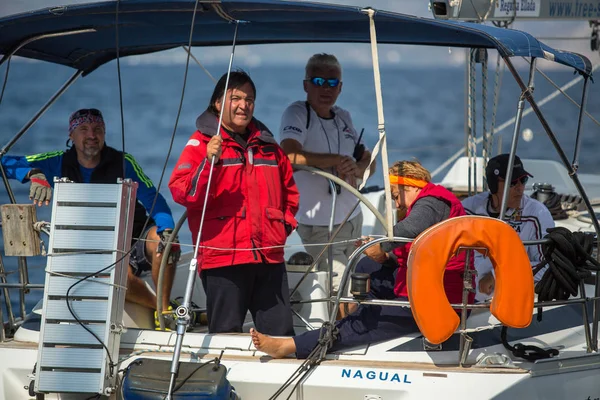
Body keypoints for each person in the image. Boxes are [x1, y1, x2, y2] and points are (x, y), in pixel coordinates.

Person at [250, 160, 473, 359]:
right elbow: (410, 252)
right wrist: (384, 256)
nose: (397, 205)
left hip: (441, 300)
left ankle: (290, 345)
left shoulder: (432, 201)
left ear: (409, 186)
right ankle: (359, 315)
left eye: (396, 196)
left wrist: (381, 243)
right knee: (369, 265)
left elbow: (410, 228)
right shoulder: (434, 201)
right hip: (426, 284)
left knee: (366, 320)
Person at [1, 108, 181, 326]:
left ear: (104, 134)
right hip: (100, 245)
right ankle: (165, 309)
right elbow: (5, 162)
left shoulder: (124, 162)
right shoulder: (56, 161)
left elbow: (152, 198)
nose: (91, 136)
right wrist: (33, 174)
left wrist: (167, 227)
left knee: (167, 243)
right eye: (83, 129)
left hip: (136, 235)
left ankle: (164, 310)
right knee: (115, 276)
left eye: (97, 129)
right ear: (71, 136)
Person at [169, 71, 299, 336]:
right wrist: (209, 162)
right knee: (225, 337)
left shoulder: (269, 146)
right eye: (236, 98)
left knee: (281, 337)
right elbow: (183, 193)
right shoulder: (201, 143)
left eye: (249, 99)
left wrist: (283, 227)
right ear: (218, 103)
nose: (244, 105)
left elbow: (290, 193)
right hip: (222, 259)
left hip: (268, 256)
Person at [279, 53, 375, 293]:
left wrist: (359, 167)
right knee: (339, 287)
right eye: (318, 81)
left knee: (356, 282)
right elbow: (289, 155)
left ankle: (350, 328)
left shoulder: (343, 116)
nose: (325, 88)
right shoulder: (298, 113)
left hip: (352, 219)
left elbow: (366, 156)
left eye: (332, 83)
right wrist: (336, 161)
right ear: (306, 85)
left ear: (340, 88)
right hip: (319, 225)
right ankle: (342, 331)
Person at [462, 153, 554, 302]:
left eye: (523, 181)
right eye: (512, 183)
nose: (520, 188)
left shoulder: (537, 214)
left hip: (508, 301)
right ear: (493, 185)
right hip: (465, 298)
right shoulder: (468, 210)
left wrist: (496, 275)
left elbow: (547, 266)